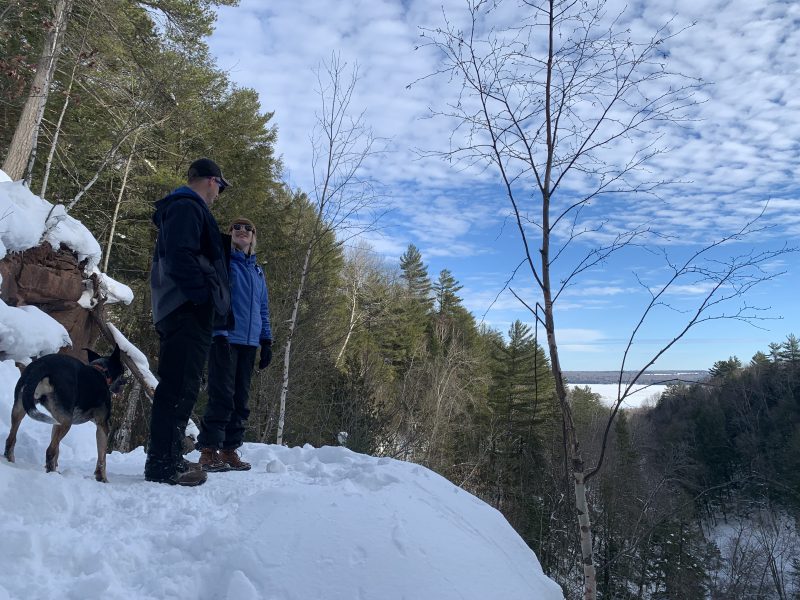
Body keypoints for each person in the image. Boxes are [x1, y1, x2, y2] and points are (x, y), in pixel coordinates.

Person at [145, 158, 232, 487]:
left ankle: (165, 456)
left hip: (179, 308)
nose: (219, 193)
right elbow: (180, 256)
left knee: (179, 384)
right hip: (185, 309)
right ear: (212, 180)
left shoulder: (183, 207)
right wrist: (202, 297)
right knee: (179, 386)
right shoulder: (186, 206)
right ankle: (164, 463)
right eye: (220, 186)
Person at [197, 217, 273, 472]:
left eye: (248, 229)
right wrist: (217, 331)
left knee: (241, 399)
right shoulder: (223, 263)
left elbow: (263, 309)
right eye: (236, 228)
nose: (242, 231)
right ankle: (209, 451)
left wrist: (267, 340)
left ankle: (229, 450)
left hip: (250, 343)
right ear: (229, 234)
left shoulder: (258, 272)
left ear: (253, 237)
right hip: (225, 337)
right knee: (221, 395)